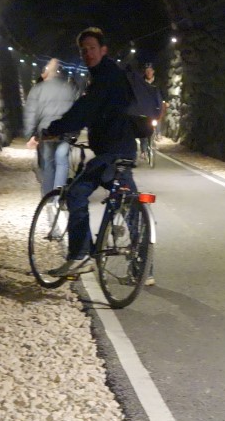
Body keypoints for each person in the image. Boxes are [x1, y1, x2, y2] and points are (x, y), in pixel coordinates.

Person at [42, 27, 153, 283]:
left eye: (92, 48)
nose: (87, 53)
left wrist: (55, 129)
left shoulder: (105, 77)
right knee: (130, 204)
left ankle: (81, 255)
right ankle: (143, 267)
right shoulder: (113, 75)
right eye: (83, 50)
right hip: (123, 150)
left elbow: (85, 108)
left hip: (111, 152)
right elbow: (94, 109)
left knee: (76, 194)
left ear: (103, 50)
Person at [24, 58, 78, 196]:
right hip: (64, 131)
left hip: (46, 132)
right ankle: (58, 197)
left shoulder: (38, 89)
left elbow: (31, 113)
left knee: (48, 163)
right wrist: (75, 133)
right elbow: (76, 111)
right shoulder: (68, 89)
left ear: (45, 73)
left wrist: (30, 135)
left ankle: (47, 196)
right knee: (62, 161)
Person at [138, 64, 165, 159]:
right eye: (147, 70)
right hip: (144, 108)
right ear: (145, 72)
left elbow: (162, 93)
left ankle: (158, 133)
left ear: (153, 71)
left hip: (155, 107)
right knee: (143, 128)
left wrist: (165, 101)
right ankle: (143, 150)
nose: (149, 72)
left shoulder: (158, 82)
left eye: (150, 70)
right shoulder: (141, 81)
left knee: (158, 117)